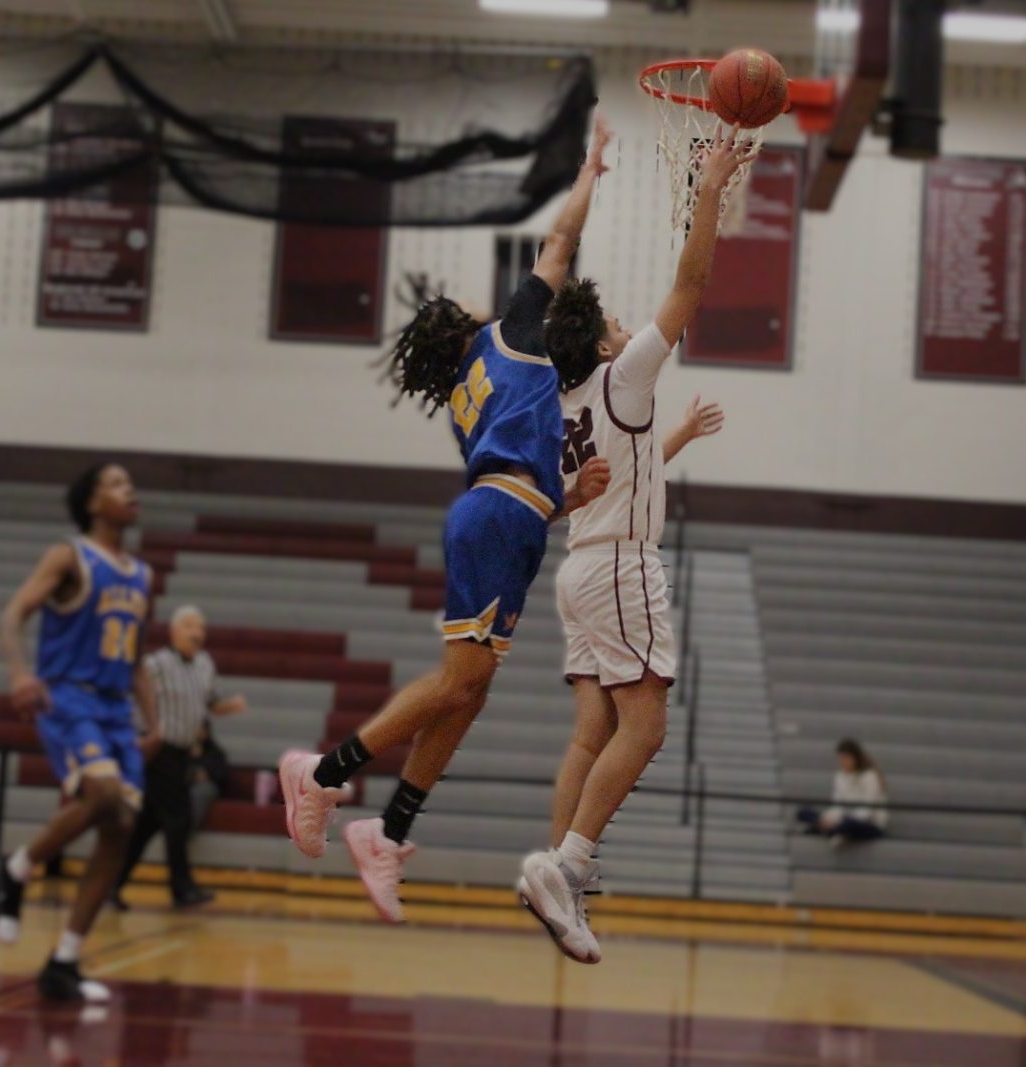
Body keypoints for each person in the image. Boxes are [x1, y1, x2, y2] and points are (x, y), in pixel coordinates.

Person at [277, 115, 614, 923]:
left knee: (473, 692)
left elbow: (516, 469)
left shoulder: (472, 396)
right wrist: (590, 170)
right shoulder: (511, 334)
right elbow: (557, 244)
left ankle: (388, 830)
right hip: (500, 519)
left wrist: (567, 499)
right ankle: (323, 773)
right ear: (462, 324)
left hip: (513, 517)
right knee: (462, 681)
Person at [517, 126, 751, 964]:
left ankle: (559, 877)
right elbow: (691, 282)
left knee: (592, 730)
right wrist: (711, 187)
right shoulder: (626, 375)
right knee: (645, 728)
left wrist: (673, 438)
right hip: (618, 565)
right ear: (607, 344)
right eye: (615, 320)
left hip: (578, 568)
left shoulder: (565, 403)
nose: (624, 322)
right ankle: (566, 863)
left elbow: (613, 476)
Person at [0, 463, 160, 1003]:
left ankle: (63, 961)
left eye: (129, 484)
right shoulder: (70, 555)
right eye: (115, 483)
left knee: (121, 826)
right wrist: (20, 673)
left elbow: (132, 658)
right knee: (104, 795)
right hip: (68, 695)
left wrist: (154, 721)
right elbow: (13, 615)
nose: (128, 490)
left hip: (113, 708)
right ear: (91, 503)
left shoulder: (142, 575)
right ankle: (14, 868)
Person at [112, 605, 247, 910]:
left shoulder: (205, 664)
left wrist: (233, 705)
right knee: (179, 819)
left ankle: (112, 884)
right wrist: (141, 735)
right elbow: (131, 695)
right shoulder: (155, 664)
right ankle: (181, 888)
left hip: (183, 754)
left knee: (147, 824)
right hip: (159, 752)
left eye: (200, 627)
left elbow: (212, 704)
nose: (196, 632)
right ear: (173, 631)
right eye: (189, 625)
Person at [797, 739, 890, 845]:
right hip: (843, 820)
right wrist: (827, 820)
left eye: (846, 758)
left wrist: (841, 822)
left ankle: (829, 830)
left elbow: (867, 812)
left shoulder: (870, 777)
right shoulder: (839, 776)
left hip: (869, 824)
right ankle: (830, 829)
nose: (842, 762)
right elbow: (838, 806)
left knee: (849, 824)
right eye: (840, 758)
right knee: (803, 812)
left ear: (855, 758)